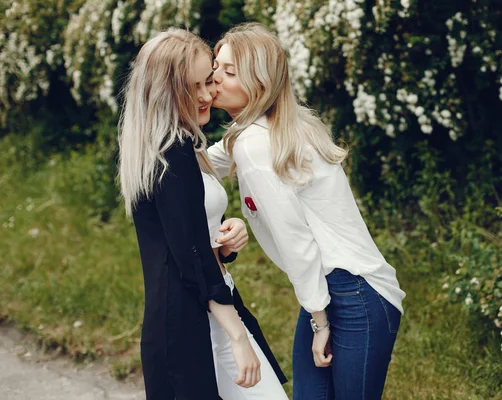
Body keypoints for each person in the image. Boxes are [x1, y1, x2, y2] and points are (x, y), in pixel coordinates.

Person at [207, 23, 406, 400]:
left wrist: (319, 320)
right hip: (333, 289)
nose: (215, 77)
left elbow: (296, 241)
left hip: (355, 291)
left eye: (229, 71)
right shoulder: (256, 132)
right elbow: (199, 164)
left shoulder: (256, 143)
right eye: (215, 66)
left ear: (259, 84)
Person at [117, 28, 287, 400]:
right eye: (192, 86)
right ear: (166, 92)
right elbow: (187, 256)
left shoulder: (187, 145)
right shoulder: (171, 152)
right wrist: (237, 335)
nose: (207, 94)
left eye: (209, 80)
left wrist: (226, 244)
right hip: (189, 320)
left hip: (210, 305)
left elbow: (191, 239)